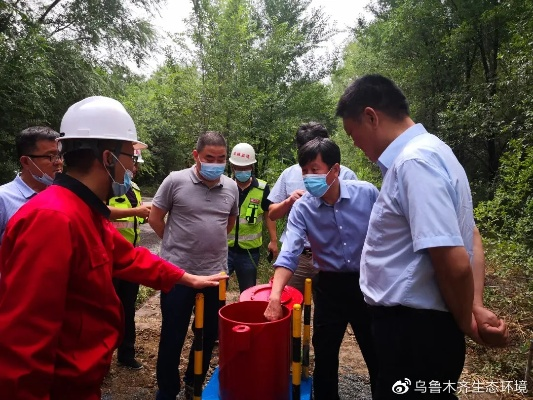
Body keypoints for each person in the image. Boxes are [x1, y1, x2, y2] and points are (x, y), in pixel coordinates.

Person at [0, 96, 226, 400]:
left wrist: (185, 278)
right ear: (108, 158)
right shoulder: (52, 219)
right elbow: (25, 342)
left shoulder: (84, 211)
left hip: (83, 382)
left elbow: (128, 257)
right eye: (130, 155)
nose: (133, 165)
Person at [336, 74, 508, 399]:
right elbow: (470, 234)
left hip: (413, 334)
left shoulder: (414, 162)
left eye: (352, 133)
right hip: (419, 331)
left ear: (371, 116)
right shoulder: (436, 152)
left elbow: (454, 262)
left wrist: (466, 322)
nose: (355, 143)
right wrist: (474, 304)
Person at [264, 137, 379, 400]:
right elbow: (289, 252)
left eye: (314, 170)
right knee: (325, 355)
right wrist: (274, 295)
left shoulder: (367, 194)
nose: (308, 177)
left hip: (369, 284)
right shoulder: (302, 208)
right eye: (304, 171)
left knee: (376, 353)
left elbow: (390, 234)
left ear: (334, 170)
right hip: (329, 286)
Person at [149, 131, 239, 400]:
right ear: (196, 155)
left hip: (215, 275)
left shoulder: (231, 186)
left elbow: (229, 223)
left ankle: (193, 381)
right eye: (209, 157)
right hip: (178, 273)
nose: (215, 162)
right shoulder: (175, 180)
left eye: (221, 158)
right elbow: (155, 217)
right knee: (173, 333)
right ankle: (167, 389)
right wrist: (174, 243)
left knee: (209, 332)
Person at [267, 122, 357, 294]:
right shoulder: (289, 174)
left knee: (331, 307)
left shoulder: (346, 175)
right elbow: (272, 213)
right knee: (290, 303)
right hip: (299, 256)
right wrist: (289, 201)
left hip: (333, 256)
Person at [107, 148, 152, 369]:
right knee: (106, 311)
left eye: (135, 165)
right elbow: (102, 211)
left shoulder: (133, 188)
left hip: (129, 260)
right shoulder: (106, 187)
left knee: (127, 309)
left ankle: (126, 353)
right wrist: (136, 213)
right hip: (108, 261)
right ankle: (102, 359)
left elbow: (138, 221)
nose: (133, 169)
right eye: (131, 163)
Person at [227, 142, 278, 293]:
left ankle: (245, 316)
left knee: (248, 292)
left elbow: (269, 214)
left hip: (249, 253)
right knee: (216, 289)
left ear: (252, 167)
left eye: (246, 168)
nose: (242, 171)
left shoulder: (262, 188)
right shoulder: (225, 186)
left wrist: (274, 240)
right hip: (224, 249)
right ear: (233, 168)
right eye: (238, 168)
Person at [0, 126, 63, 243]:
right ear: (26, 162)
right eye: (50, 156)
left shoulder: (63, 196)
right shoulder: (3, 199)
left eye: (60, 155)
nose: (58, 162)